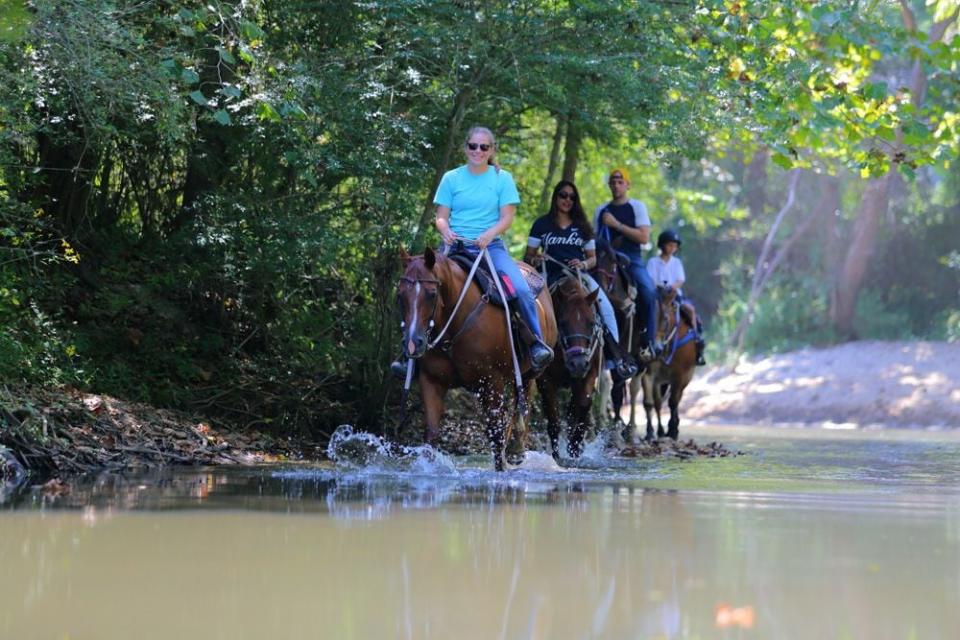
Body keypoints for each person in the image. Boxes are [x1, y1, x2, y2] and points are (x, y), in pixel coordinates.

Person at [524, 181, 638, 379]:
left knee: (606, 307)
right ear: (555, 197)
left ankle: (615, 359)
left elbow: (593, 258)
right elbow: (528, 256)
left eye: (571, 197)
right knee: (527, 301)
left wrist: (583, 264)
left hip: (577, 276)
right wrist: (536, 258)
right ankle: (527, 352)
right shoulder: (541, 224)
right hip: (547, 274)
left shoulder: (582, 227)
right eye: (563, 195)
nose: (567, 200)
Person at [593, 167, 660, 360]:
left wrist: (616, 225)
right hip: (605, 261)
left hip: (631, 260)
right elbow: (595, 239)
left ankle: (648, 342)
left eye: (620, 182)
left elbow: (644, 237)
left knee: (648, 291)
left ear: (627, 185)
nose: (616, 185)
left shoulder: (636, 207)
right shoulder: (601, 210)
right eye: (612, 182)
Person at [646, 228, 707, 365]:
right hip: (657, 295)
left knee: (690, 310)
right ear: (662, 245)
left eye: (674, 246)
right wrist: (660, 288)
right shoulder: (653, 262)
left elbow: (680, 280)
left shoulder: (676, 262)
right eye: (669, 245)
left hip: (674, 295)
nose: (672, 248)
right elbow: (650, 280)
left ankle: (696, 339)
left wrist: (672, 288)